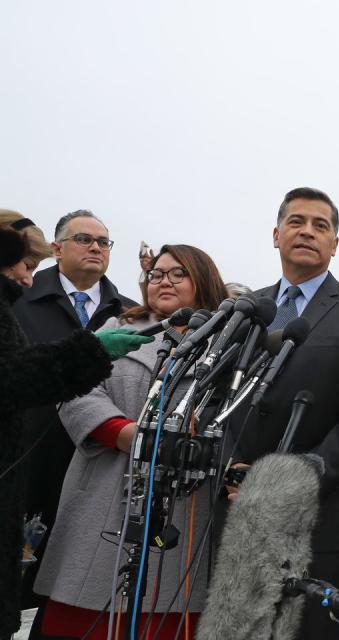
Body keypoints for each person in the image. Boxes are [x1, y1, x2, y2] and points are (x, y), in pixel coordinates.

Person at [33, 245, 228, 640]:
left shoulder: (229, 344)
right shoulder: (117, 328)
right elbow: (74, 389)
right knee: (83, 612)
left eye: (178, 274)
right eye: (156, 274)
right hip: (105, 485)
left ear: (202, 280)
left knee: (164, 610)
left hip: (183, 500)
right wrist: (123, 433)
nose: (163, 282)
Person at [228, 187, 339, 640]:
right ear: (276, 234)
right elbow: (226, 405)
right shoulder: (248, 309)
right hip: (239, 514)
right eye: (297, 222)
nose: (308, 231)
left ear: (335, 245)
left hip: (317, 521)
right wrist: (231, 473)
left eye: (321, 226)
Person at [0, 212, 149, 640]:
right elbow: (14, 373)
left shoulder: (125, 311)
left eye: (105, 241)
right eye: (85, 238)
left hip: (93, 470)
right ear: (57, 248)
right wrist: (88, 350)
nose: (96, 247)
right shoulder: (19, 297)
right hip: (25, 463)